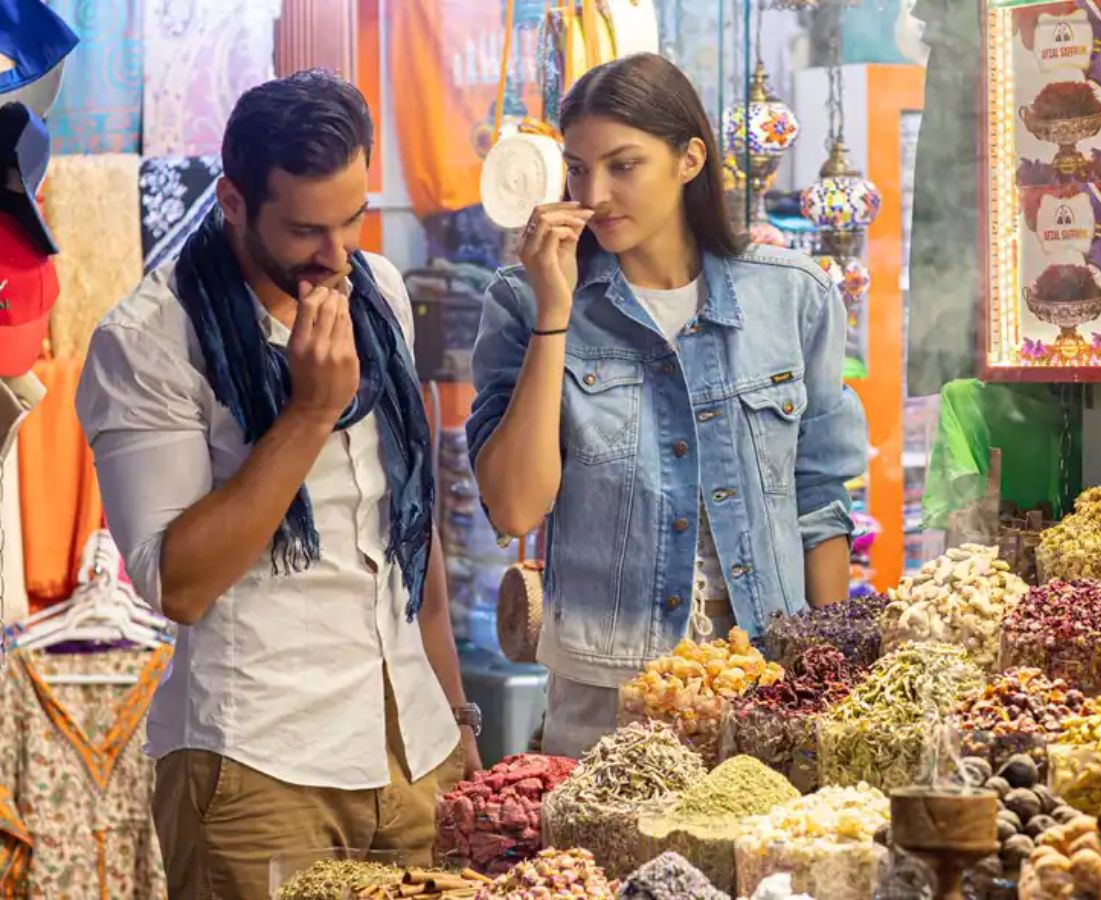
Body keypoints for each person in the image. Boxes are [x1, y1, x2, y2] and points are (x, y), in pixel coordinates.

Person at [75, 71, 481, 899]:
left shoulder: (379, 292)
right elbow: (178, 584)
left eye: (352, 220)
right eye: (305, 231)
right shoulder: (148, 343)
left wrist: (458, 715)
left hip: (415, 746)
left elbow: (406, 530)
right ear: (232, 201)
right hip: (260, 766)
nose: (338, 258)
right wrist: (304, 417)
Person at [467, 52, 869, 759]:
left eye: (624, 165)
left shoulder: (793, 295)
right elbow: (515, 507)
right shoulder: (523, 298)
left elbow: (819, 501)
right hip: (607, 692)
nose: (595, 193)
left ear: (689, 159)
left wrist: (823, 678)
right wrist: (554, 314)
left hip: (765, 676)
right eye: (579, 168)